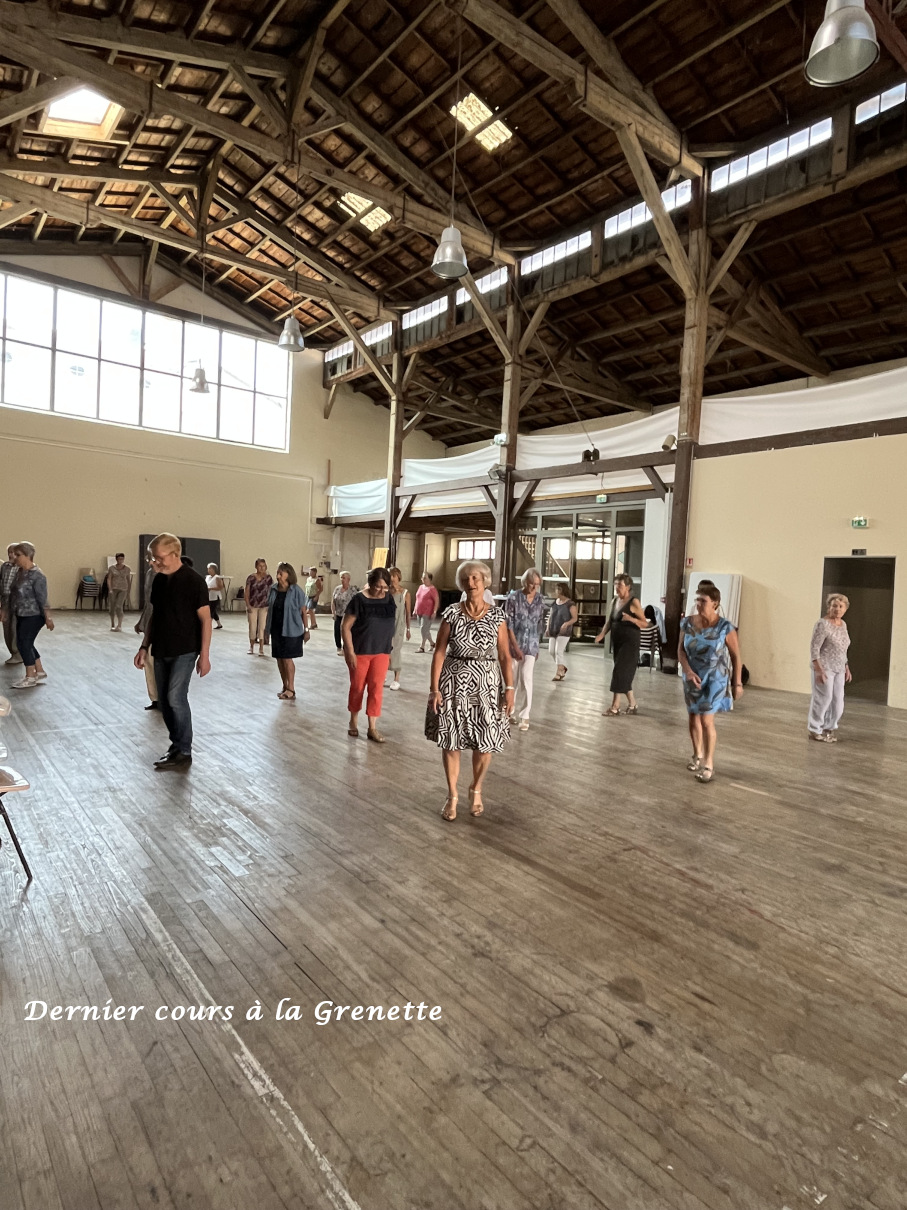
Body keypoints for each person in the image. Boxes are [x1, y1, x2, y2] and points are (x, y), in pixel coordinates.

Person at [429, 561, 513, 821]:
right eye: (466, 579)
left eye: (475, 578)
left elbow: (504, 655)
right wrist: (434, 689)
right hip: (454, 684)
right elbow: (440, 651)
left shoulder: (497, 616)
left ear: (485, 581)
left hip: (487, 686)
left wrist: (510, 688)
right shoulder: (452, 613)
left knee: (485, 742)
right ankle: (452, 795)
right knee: (451, 741)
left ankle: (476, 788)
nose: (471, 583)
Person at [134, 533, 211, 769]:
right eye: (152, 558)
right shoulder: (158, 581)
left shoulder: (194, 581)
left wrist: (205, 655)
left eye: (158, 557)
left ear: (175, 554)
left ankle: (184, 750)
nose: (154, 562)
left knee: (175, 698)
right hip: (161, 648)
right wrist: (144, 646)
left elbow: (206, 620)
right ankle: (176, 745)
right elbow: (155, 616)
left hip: (185, 650)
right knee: (165, 703)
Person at [678, 584, 743, 783]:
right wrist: (688, 671)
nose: (698, 604)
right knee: (693, 716)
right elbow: (680, 650)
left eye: (703, 601)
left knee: (706, 720)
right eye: (697, 600)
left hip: (715, 677)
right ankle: (696, 754)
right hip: (692, 676)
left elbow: (736, 657)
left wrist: (737, 683)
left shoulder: (725, 627)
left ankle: (708, 764)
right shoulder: (687, 623)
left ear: (715, 603)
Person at [341, 567, 395, 743]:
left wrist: (389, 650)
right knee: (357, 687)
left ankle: (372, 727)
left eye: (385, 587)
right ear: (370, 584)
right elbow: (345, 627)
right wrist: (349, 651)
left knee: (376, 688)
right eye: (378, 586)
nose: (381, 591)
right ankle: (353, 721)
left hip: (381, 652)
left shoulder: (388, 599)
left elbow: (390, 627)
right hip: (360, 651)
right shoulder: (359, 600)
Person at [595, 573, 647, 715]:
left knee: (619, 671)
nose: (617, 588)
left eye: (620, 585)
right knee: (623, 673)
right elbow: (610, 622)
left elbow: (644, 623)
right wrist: (601, 635)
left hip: (630, 643)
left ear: (628, 587)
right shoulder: (614, 601)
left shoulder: (634, 602)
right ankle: (633, 704)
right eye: (615, 584)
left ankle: (615, 706)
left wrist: (631, 619)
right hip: (617, 641)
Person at [504, 568, 546, 732]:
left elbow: (539, 623)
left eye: (537, 585)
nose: (534, 587)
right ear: (525, 582)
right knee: (512, 679)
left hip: (532, 644)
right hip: (514, 643)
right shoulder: (513, 598)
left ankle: (525, 714)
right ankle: (509, 711)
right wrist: (515, 647)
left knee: (526, 677)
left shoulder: (540, 599)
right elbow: (508, 625)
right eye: (532, 584)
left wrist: (537, 647)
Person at [9, 542, 53, 689]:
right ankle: (39, 671)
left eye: (18, 555)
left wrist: (48, 617)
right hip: (21, 613)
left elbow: (43, 599)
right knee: (25, 642)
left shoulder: (37, 575)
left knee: (24, 644)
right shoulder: (20, 572)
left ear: (28, 555)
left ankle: (30, 676)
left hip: (34, 615)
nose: (14, 557)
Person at [808, 593, 852, 742]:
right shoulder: (822, 624)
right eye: (834, 606)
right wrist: (819, 670)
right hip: (824, 666)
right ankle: (815, 729)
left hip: (839, 668)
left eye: (840, 606)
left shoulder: (843, 624)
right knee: (823, 698)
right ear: (829, 607)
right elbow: (814, 648)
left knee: (838, 702)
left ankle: (829, 728)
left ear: (845, 609)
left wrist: (846, 666)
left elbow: (843, 648)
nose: (837, 609)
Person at [266, 563, 309, 700]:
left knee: (286, 658)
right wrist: (267, 630)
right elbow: (270, 610)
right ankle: (284, 686)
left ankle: (291, 688)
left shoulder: (296, 591)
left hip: (291, 629)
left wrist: (306, 629)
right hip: (276, 628)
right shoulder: (273, 589)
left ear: (288, 575)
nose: (278, 576)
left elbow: (303, 612)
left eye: (281, 573)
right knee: (279, 658)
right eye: (277, 573)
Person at [134, 547, 159, 711]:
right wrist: (142, 620)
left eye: (152, 559)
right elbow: (148, 601)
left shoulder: (165, 575)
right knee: (149, 661)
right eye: (148, 559)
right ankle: (155, 698)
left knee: (159, 662)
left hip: (163, 623)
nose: (149, 562)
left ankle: (164, 698)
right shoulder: (150, 574)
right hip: (151, 618)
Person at [387, 566, 411, 691]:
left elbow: (408, 612)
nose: (392, 579)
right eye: (390, 576)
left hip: (398, 626)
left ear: (398, 577)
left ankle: (396, 679)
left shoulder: (405, 593)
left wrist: (408, 629)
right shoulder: (386, 591)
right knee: (384, 650)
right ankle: (382, 673)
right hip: (386, 625)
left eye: (394, 576)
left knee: (395, 650)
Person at [547, 582, 577, 681]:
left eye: (557, 589)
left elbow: (574, 618)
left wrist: (567, 623)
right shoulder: (555, 603)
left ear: (561, 590)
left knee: (558, 651)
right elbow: (550, 616)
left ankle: (559, 673)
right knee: (551, 651)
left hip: (564, 631)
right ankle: (562, 667)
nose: (555, 591)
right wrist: (547, 628)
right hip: (553, 628)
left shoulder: (570, 604)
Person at [244, 559, 272, 656]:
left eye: (264, 566)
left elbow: (271, 592)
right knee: (252, 626)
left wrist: (270, 604)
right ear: (256, 566)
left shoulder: (268, 578)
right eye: (260, 566)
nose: (262, 568)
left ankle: (261, 648)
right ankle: (251, 646)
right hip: (253, 605)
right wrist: (248, 605)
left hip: (264, 606)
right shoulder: (251, 578)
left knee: (262, 627)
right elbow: (247, 592)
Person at [0, 544, 21, 664]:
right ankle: (13, 652)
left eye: (13, 552)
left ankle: (18, 653)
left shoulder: (21, 567)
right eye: (9, 552)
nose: (10, 555)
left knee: (15, 627)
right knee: (7, 627)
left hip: (17, 601)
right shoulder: (5, 566)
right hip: (5, 600)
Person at [331, 571, 358, 656]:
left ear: (348, 579)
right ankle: (338, 647)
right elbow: (333, 601)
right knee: (337, 631)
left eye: (344, 578)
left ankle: (345, 648)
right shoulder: (337, 589)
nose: (342, 579)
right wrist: (333, 612)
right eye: (341, 577)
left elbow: (356, 603)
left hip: (348, 615)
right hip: (338, 614)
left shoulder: (352, 590)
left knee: (346, 631)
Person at [413, 571, 440, 653]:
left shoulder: (432, 589)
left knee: (423, 629)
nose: (423, 579)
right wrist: (414, 609)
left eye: (425, 578)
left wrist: (434, 611)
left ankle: (422, 646)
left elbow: (436, 601)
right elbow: (417, 599)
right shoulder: (420, 587)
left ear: (430, 579)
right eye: (422, 577)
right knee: (425, 630)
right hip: (419, 610)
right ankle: (432, 643)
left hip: (428, 612)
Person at [106, 553, 132, 632]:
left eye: (122, 559)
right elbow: (109, 578)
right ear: (116, 559)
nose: (120, 561)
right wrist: (110, 589)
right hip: (114, 589)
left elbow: (128, 579)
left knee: (119, 606)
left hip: (123, 589)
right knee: (112, 607)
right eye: (119, 559)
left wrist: (128, 591)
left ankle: (119, 625)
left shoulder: (127, 569)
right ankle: (112, 623)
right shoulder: (112, 568)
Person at [205, 563, 225, 629]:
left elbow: (220, 587)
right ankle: (219, 624)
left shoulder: (217, 577)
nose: (208, 570)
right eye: (208, 569)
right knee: (213, 611)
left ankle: (208, 625)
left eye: (210, 568)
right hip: (209, 597)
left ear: (214, 569)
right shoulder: (207, 577)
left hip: (215, 597)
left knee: (211, 611)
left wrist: (210, 589)